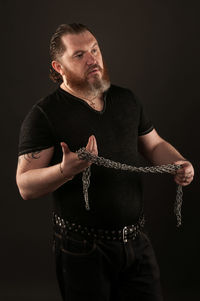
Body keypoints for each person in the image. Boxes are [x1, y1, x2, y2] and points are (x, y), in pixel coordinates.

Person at [16, 23, 194, 301]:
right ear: (58, 66)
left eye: (95, 49)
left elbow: (155, 144)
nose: (92, 58)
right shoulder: (44, 114)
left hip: (136, 241)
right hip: (81, 249)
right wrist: (66, 170)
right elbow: (25, 185)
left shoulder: (126, 99)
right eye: (79, 55)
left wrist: (180, 162)